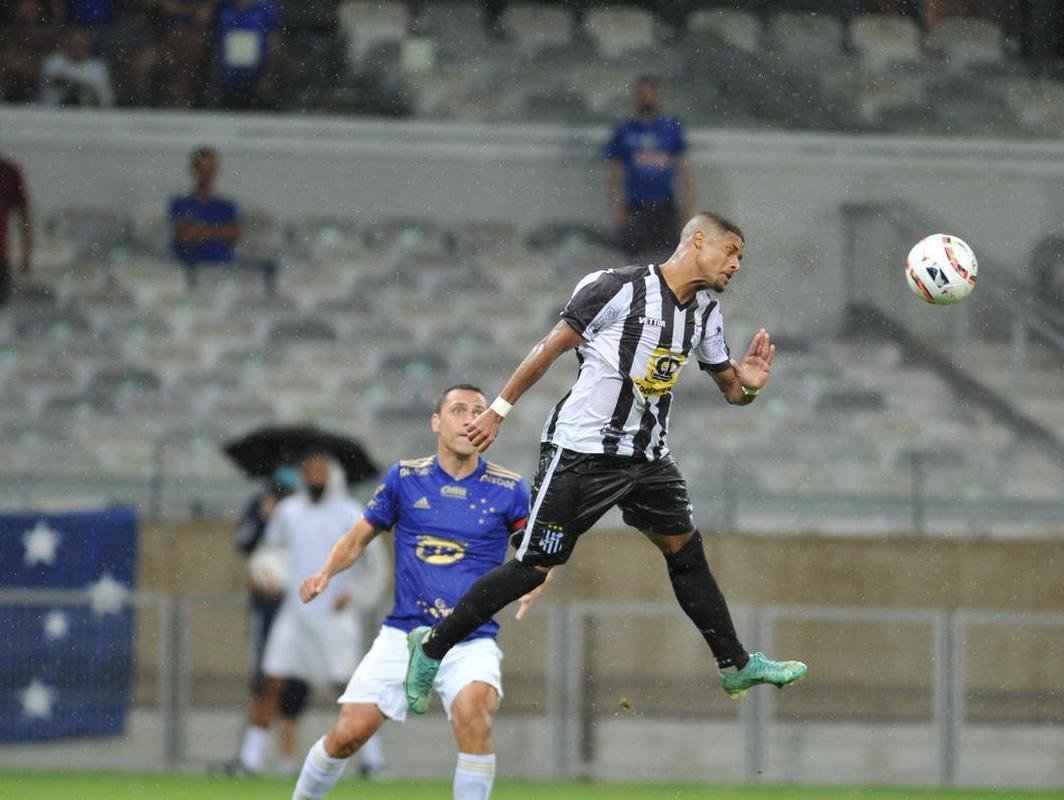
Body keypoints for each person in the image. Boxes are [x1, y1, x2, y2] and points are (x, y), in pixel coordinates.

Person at [402, 213, 807, 723]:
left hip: (648, 457)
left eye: (741, 259)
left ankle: (735, 664)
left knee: (686, 552)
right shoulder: (615, 287)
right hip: (581, 453)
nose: (735, 265)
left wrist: (748, 385)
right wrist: (498, 411)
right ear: (697, 240)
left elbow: (732, 390)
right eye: (730, 252)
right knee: (533, 568)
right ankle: (432, 647)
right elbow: (549, 348)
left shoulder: (706, 311)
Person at [290, 385, 535, 800]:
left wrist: (535, 586)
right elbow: (358, 538)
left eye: (479, 411)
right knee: (348, 735)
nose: (470, 419)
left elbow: (537, 556)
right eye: (458, 410)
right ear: (436, 422)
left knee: (474, 717)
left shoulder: (509, 489)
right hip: (404, 633)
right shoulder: (405, 478)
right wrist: (325, 573)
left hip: (469, 637)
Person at [231, 451, 389, 777]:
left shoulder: (350, 513)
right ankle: (249, 760)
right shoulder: (288, 512)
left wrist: (355, 595)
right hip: (294, 613)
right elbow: (270, 554)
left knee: (348, 688)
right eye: (309, 472)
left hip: (333, 616)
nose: (314, 478)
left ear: (332, 476)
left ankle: (372, 761)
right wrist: (263, 575)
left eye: (320, 472)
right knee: (271, 682)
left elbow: (377, 566)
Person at [232, 466, 313, 775]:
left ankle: (288, 759)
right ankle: (251, 757)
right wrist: (265, 517)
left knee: (297, 684)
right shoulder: (260, 505)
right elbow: (244, 543)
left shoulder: (307, 511)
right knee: (267, 681)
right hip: (269, 607)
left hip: (301, 607)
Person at [604, 75, 693, 264]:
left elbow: (682, 169)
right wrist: (617, 207)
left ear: (658, 97)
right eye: (642, 94)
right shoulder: (624, 130)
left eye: (650, 94)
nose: (646, 98)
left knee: (670, 259)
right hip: (636, 205)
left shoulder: (670, 128)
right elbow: (614, 173)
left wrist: (687, 203)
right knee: (635, 259)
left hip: (665, 204)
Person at [168, 146, 277, 290]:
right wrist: (219, 232)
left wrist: (199, 231)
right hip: (191, 265)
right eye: (202, 167)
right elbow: (185, 235)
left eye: (210, 168)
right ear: (194, 170)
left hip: (224, 265)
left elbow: (235, 234)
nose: (206, 173)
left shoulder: (226, 205)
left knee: (270, 268)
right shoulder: (180, 203)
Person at [212, 0, 282, 110]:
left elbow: (274, 41)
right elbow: (214, 39)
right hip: (227, 79)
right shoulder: (223, 6)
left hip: (256, 77)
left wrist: (268, 75)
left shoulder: (264, 8)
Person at [1, 0, 60, 104]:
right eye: (25, 7)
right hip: (10, 85)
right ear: (18, 9)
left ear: (40, 9)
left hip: (37, 89)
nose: (28, 11)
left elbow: (50, 64)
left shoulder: (48, 36)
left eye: (32, 8)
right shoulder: (8, 34)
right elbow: (5, 59)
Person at [40, 26, 113, 107]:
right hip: (52, 112)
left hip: (83, 115)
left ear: (87, 45)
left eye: (81, 43)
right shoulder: (54, 60)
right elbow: (56, 80)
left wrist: (89, 92)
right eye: (74, 43)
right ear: (67, 44)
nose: (77, 47)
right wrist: (82, 85)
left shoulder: (97, 67)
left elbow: (104, 99)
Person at [0, 155, 34, 307]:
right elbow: (24, 215)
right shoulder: (8, 172)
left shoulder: (9, 172)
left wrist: (27, 252)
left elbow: (24, 215)